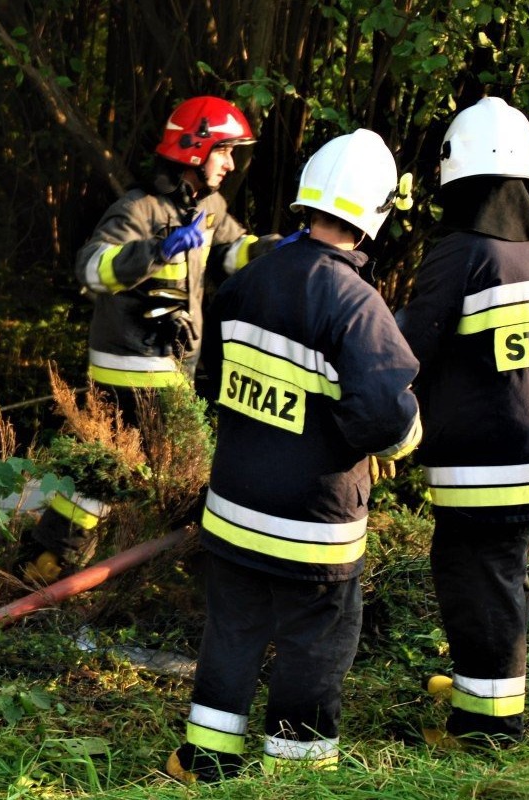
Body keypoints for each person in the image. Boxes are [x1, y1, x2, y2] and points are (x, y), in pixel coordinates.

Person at [167, 129, 422, 781]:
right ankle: (297, 779)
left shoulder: (249, 281)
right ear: (373, 214)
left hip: (233, 512)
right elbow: (384, 417)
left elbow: (211, 380)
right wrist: (406, 437)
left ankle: (204, 762)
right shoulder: (356, 305)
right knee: (315, 646)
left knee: (231, 634)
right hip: (314, 529)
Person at [21, 96, 282, 581]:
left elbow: (228, 254)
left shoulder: (209, 207)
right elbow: (91, 269)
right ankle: (182, 571)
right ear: (195, 148)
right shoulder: (138, 209)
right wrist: (155, 251)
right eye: (223, 151)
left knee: (104, 472)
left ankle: (48, 560)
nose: (229, 163)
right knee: (191, 467)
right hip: (136, 367)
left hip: (166, 368)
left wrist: (271, 249)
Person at [396, 97, 529, 747]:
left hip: (481, 464)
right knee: (494, 574)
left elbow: (406, 349)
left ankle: (487, 728)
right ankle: (479, 683)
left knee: (476, 582)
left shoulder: (462, 254)